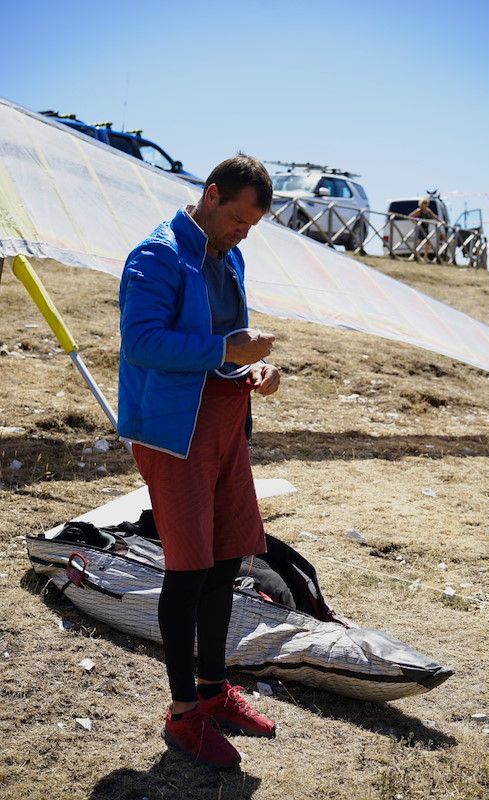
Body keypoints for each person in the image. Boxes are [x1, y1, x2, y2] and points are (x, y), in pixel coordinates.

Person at [118, 154, 281, 769]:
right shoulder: (156, 256)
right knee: (188, 569)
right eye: (239, 220)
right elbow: (142, 342)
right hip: (173, 430)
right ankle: (183, 713)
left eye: (252, 227)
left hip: (225, 420)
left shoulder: (229, 255)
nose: (244, 235)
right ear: (211, 196)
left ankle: (214, 690)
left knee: (226, 558)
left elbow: (229, 341)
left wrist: (256, 368)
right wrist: (225, 350)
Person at [409, 197, 444, 262]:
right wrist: (416, 222)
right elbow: (410, 216)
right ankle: (418, 256)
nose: (426, 204)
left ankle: (425, 257)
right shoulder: (419, 210)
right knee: (419, 242)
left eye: (426, 203)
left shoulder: (428, 210)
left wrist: (441, 221)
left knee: (427, 243)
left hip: (426, 228)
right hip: (420, 228)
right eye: (424, 203)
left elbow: (435, 216)